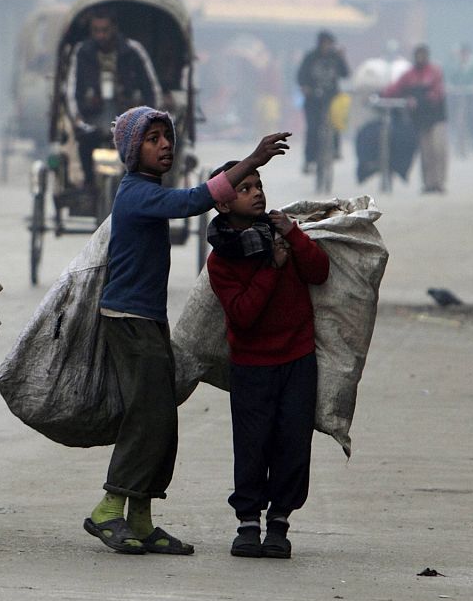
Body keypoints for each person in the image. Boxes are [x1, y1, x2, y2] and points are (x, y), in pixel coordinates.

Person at [81, 106, 288, 557]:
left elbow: (191, 198)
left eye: (167, 137)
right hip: (129, 321)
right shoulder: (135, 192)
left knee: (161, 419)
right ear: (133, 150)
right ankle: (109, 508)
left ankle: (141, 520)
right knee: (147, 417)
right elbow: (190, 201)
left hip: (148, 320)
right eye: (153, 138)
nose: (165, 145)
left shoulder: (148, 190)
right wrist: (251, 161)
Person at [204, 159, 329, 559]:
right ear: (224, 205)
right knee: (253, 445)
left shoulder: (282, 234)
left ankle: (279, 523)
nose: (257, 192)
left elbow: (319, 271)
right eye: (245, 188)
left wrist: (294, 236)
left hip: (296, 359)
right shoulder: (222, 259)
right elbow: (243, 314)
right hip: (251, 365)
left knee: (293, 442)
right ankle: (247, 524)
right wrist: (272, 269)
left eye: (258, 185)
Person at [66, 6, 163, 191]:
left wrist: (150, 121)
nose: (100, 36)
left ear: (114, 28)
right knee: (83, 143)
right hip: (92, 120)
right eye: (96, 31)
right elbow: (72, 92)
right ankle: (89, 184)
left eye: (105, 30)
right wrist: (78, 120)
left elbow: (152, 89)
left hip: (129, 121)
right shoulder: (82, 52)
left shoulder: (133, 50)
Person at [382, 45, 449, 193]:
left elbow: (437, 94)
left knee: (438, 150)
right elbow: (396, 88)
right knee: (425, 153)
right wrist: (382, 94)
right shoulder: (409, 75)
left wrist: (420, 100)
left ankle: (439, 182)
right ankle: (428, 184)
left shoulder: (434, 72)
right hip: (420, 120)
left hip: (437, 117)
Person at [295, 31, 349, 172]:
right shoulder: (310, 57)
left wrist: (342, 58)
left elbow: (346, 74)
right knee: (313, 128)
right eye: (324, 43)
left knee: (336, 124)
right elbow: (301, 75)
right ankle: (309, 160)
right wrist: (305, 87)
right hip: (313, 98)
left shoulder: (336, 57)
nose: (326, 46)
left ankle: (335, 150)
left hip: (332, 98)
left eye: (329, 43)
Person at [446, 44, 473, 157]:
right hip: (458, 96)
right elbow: (451, 78)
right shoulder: (456, 66)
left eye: (465, 53)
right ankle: (457, 143)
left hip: (471, 96)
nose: (463, 56)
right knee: (455, 117)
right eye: (462, 53)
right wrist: (450, 86)